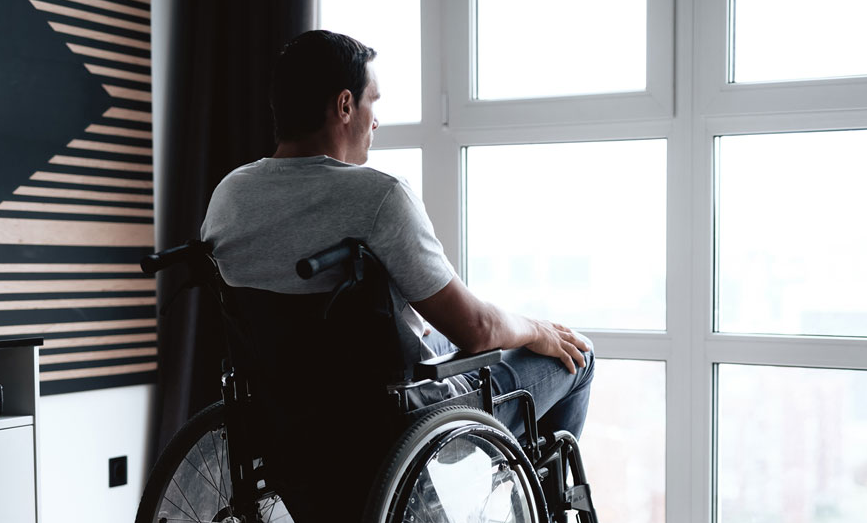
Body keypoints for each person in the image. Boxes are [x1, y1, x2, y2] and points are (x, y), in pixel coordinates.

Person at [201, 29, 594, 443]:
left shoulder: (228, 196)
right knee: (577, 355)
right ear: (345, 105)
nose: (376, 121)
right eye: (374, 101)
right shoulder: (378, 195)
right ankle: (536, 503)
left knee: (431, 332)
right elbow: (476, 329)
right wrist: (537, 330)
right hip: (399, 419)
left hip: (285, 414)